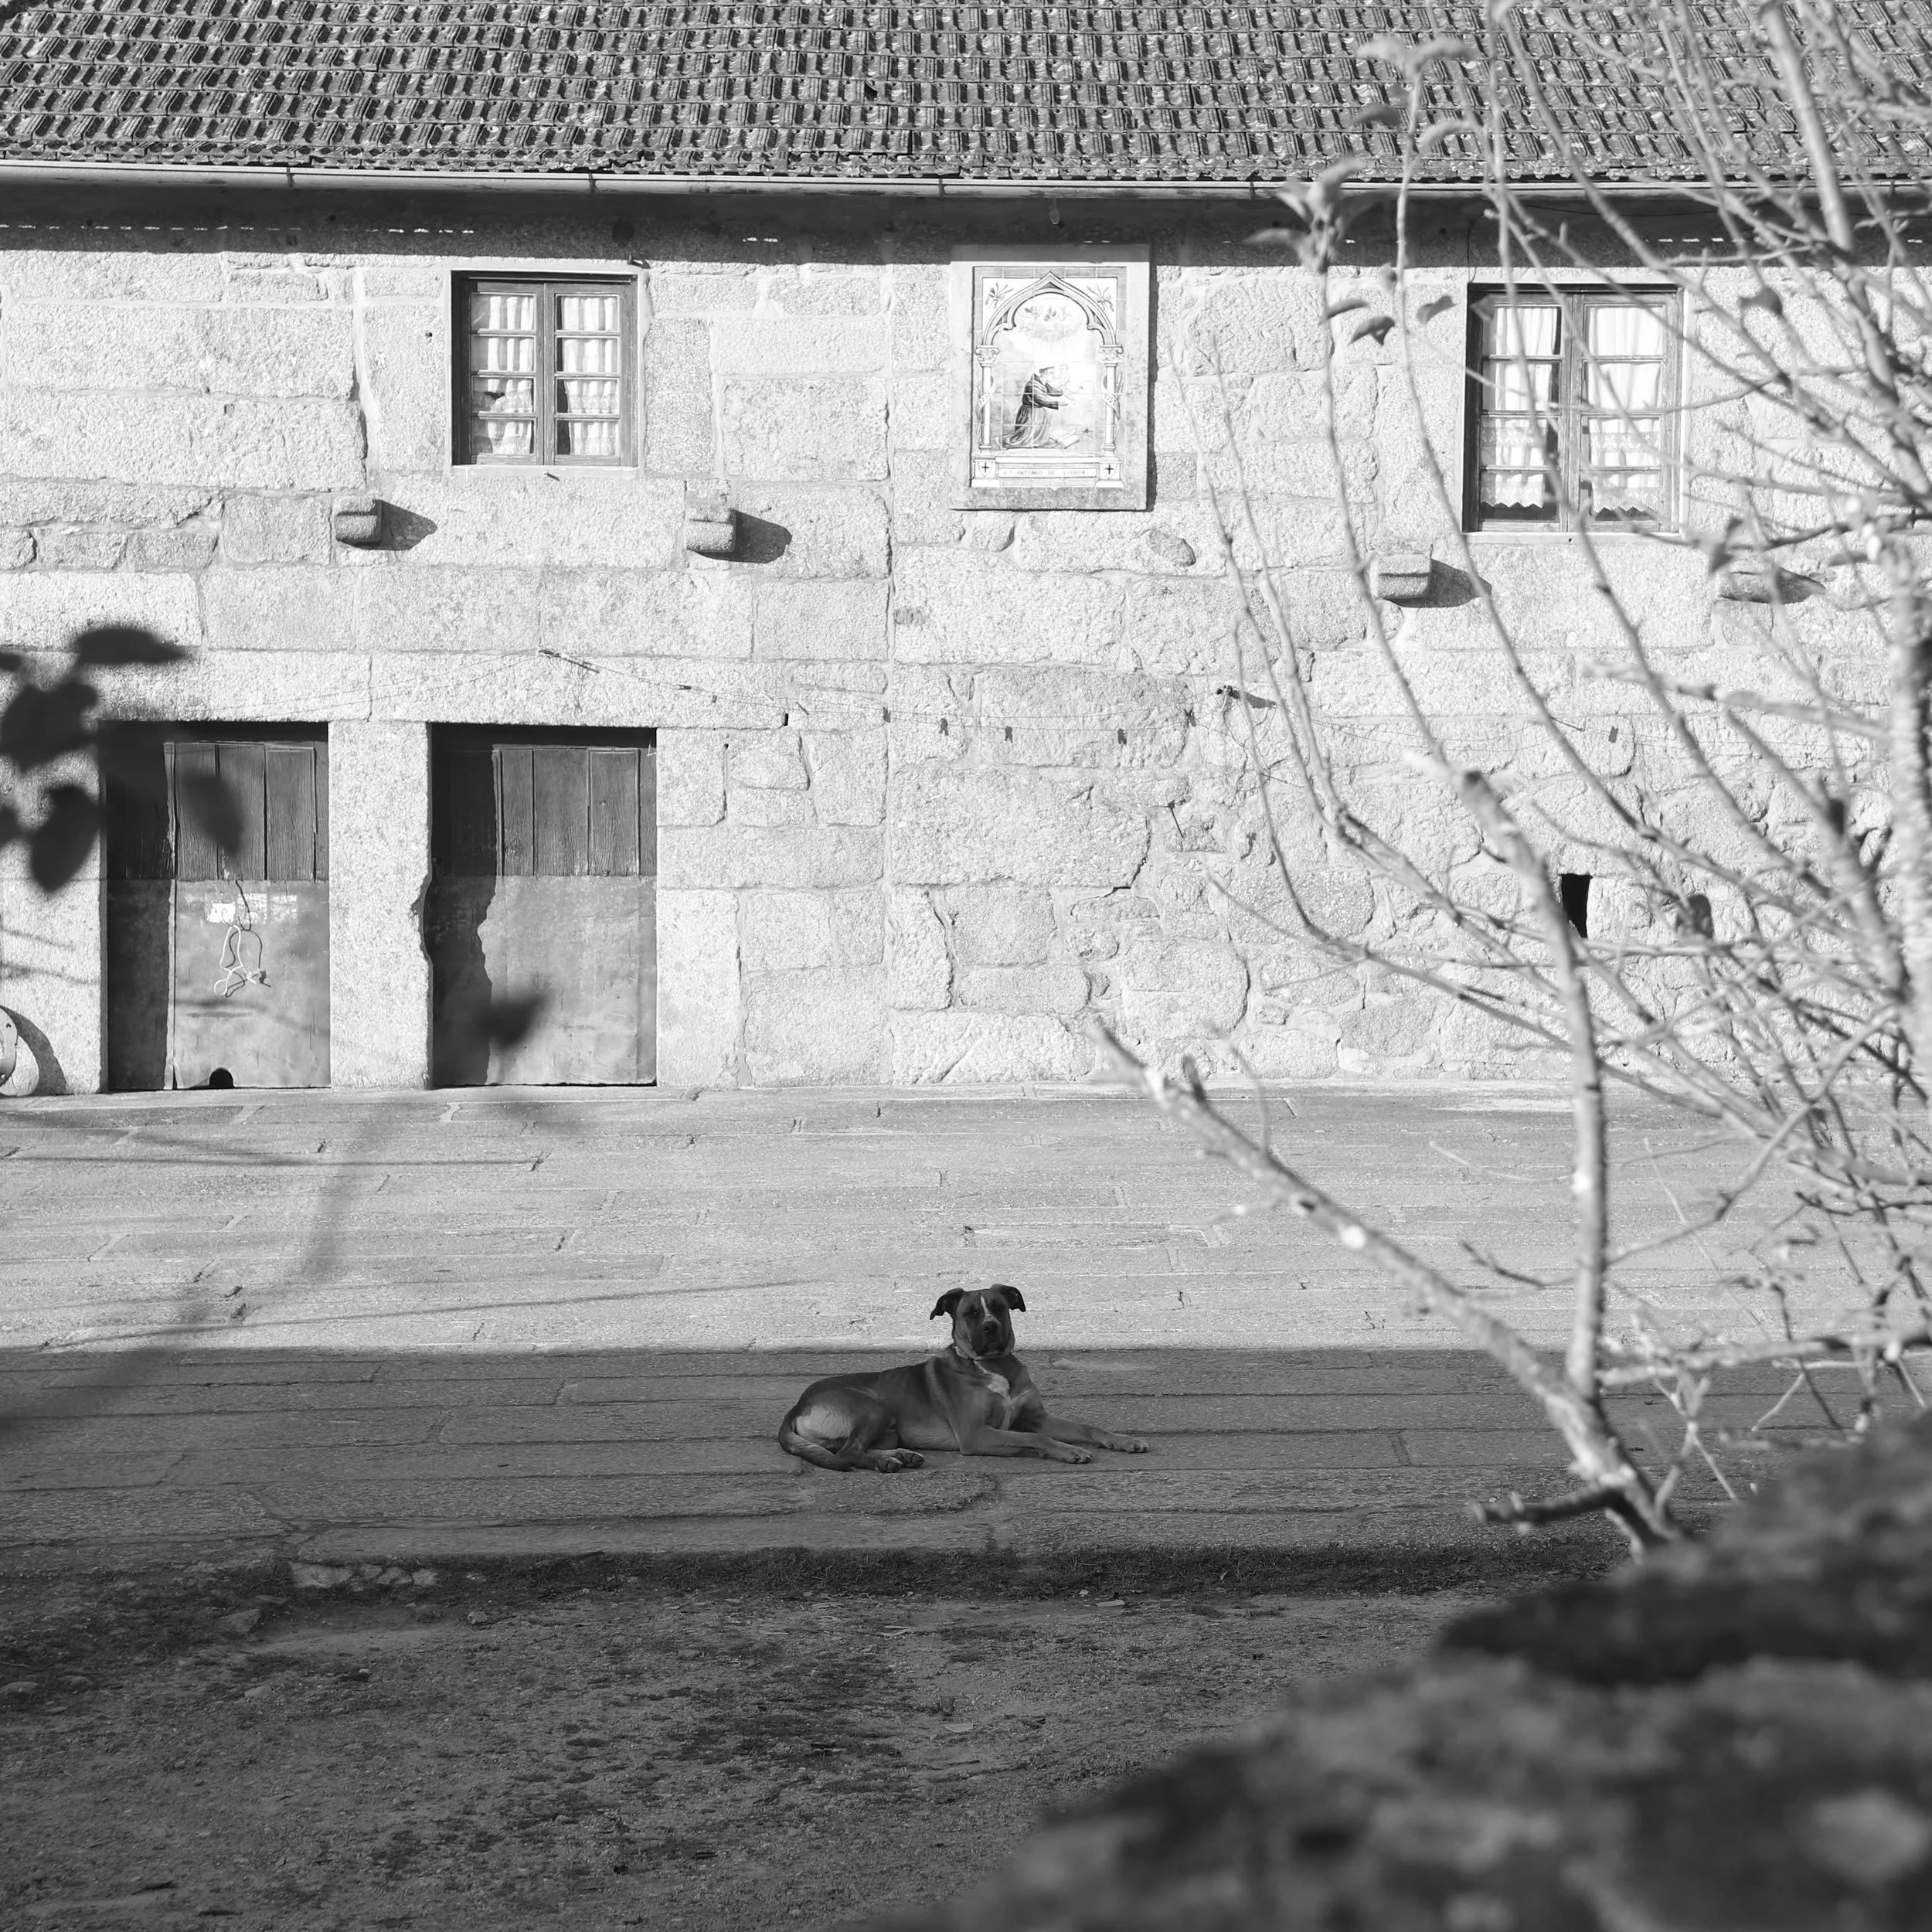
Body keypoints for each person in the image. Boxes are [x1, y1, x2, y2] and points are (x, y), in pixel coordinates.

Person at [1005, 364, 1067, 447]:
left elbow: (1052, 391)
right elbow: (1041, 400)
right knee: (1025, 437)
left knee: (1047, 416)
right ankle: (1027, 442)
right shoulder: (1033, 385)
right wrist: (1058, 404)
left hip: (1037, 410)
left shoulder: (1041, 383)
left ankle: (1039, 441)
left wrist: (1063, 392)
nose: (1054, 376)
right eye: (1051, 373)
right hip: (1030, 412)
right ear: (1044, 373)